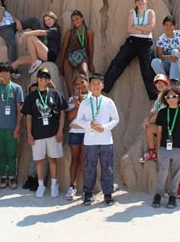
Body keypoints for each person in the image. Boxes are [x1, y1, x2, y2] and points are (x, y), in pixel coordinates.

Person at [21, 68, 68, 198]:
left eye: (46, 77)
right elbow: (29, 117)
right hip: (37, 134)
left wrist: (60, 131)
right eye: (41, 77)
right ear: (37, 79)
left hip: (53, 133)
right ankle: (41, 185)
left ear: (49, 80)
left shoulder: (55, 94)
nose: (43, 79)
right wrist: (30, 134)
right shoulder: (31, 97)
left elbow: (63, 113)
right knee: (39, 161)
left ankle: (54, 184)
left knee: (53, 160)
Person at [74, 73, 119, 206]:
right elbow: (78, 119)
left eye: (98, 84)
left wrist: (105, 128)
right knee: (89, 167)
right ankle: (88, 193)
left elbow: (116, 119)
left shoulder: (108, 101)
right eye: (93, 84)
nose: (95, 86)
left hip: (106, 140)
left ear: (102, 85)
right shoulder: (85, 102)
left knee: (108, 167)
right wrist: (89, 125)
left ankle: (108, 194)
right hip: (90, 140)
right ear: (89, 85)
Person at [103, 0, 157, 100]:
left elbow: (151, 28)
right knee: (118, 62)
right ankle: (104, 86)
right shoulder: (132, 13)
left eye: (142, 0)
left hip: (146, 43)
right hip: (133, 41)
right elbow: (129, 29)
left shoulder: (150, 12)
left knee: (147, 66)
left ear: (146, 1)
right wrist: (143, 30)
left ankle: (153, 94)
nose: (140, 2)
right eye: (138, 1)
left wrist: (136, 27)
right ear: (135, 2)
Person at [0, 62, 24, 189]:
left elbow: (20, 110)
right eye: (1, 72)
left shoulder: (17, 88)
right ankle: (3, 176)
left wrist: (18, 127)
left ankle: (12, 177)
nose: (4, 75)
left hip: (11, 127)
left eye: (6, 72)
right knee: (1, 153)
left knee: (11, 154)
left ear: (10, 73)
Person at [152, 87, 180, 209]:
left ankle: (172, 197)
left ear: (179, 98)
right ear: (165, 99)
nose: (171, 99)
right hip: (164, 148)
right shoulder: (163, 112)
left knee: (176, 173)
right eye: (168, 97)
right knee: (162, 172)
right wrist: (159, 148)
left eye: (174, 96)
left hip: (179, 148)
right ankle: (157, 195)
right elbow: (159, 130)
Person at [0, 0, 42, 78]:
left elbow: (12, 17)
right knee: (12, 43)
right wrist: (1, 10)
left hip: (13, 25)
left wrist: (17, 21)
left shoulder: (6, 11)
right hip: (4, 28)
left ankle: (40, 45)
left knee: (34, 21)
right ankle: (14, 70)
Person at [65, 74, 91, 200]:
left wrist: (80, 105)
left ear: (87, 83)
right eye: (77, 84)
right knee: (75, 159)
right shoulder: (72, 99)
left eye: (82, 82)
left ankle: (87, 189)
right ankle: (72, 186)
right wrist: (76, 105)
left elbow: (90, 117)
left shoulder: (93, 98)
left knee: (85, 160)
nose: (80, 86)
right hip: (75, 132)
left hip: (87, 132)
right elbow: (69, 117)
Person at [151, 15, 180, 85]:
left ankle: (175, 81)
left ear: (174, 26)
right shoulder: (161, 39)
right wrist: (169, 57)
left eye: (171, 25)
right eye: (166, 25)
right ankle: (165, 81)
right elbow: (159, 56)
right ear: (163, 26)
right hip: (169, 64)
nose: (168, 27)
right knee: (154, 62)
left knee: (175, 51)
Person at [60, 10, 95, 96]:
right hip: (70, 57)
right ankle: (72, 97)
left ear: (82, 18)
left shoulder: (88, 32)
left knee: (84, 73)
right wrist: (61, 64)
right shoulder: (69, 32)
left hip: (82, 57)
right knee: (68, 77)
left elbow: (90, 47)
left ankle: (86, 95)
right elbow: (64, 48)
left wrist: (90, 63)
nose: (75, 22)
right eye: (73, 20)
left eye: (77, 19)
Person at [140, 74, 169, 163]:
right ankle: (152, 153)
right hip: (161, 125)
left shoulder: (169, 95)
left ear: (166, 83)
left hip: (169, 126)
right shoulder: (160, 96)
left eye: (161, 82)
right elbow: (154, 109)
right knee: (149, 128)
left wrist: (150, 120)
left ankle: (158, 153)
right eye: (157, 83)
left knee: (151, 127)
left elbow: (161, 111)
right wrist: (147, 119)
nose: (159, 85)